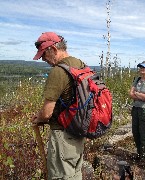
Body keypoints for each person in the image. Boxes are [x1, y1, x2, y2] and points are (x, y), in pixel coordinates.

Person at [31, 32, 86, 179]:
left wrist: (39, 119)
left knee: (60, 176)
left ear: (54, 50)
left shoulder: (58, 71)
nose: (43, 59)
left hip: (63, 136)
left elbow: (47, 113)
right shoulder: (80, 65)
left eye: (43, 54)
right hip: (79, 131)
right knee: (75, 174)